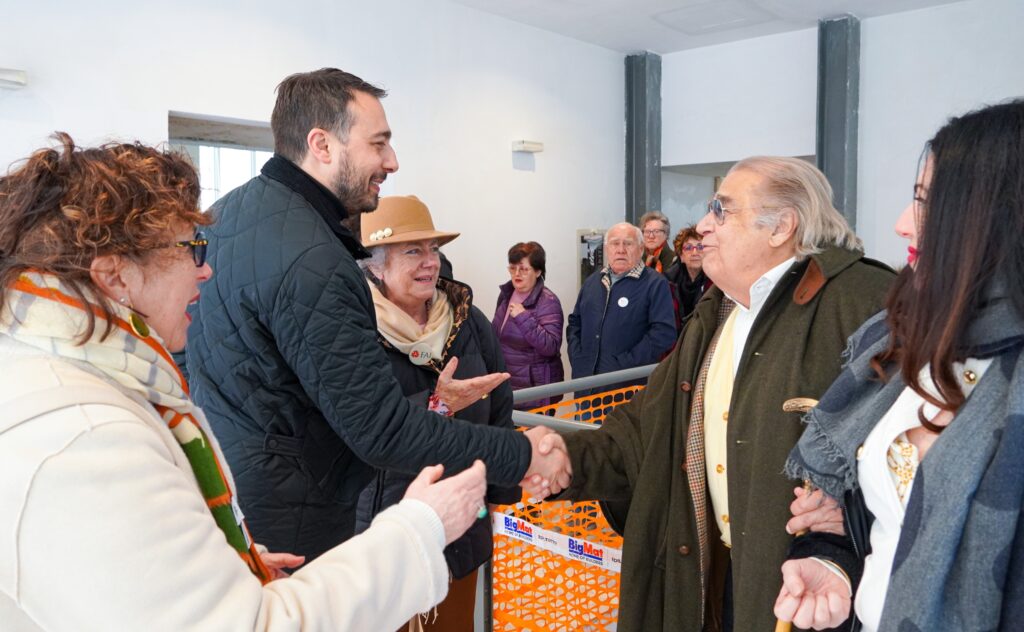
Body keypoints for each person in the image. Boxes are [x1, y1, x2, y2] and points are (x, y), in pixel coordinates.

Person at [0, 134, 489, 631]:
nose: (207, 269)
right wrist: (419, 530)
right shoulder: (91, 440)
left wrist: (220, 565)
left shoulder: (69, 379)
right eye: (191, 248)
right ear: (115, 276)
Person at [184, 69, 561, 564]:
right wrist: (523, 453)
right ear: (322, 144)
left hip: (237, 493)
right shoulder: (313, 257)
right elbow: (381, 430)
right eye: (378, 144)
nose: (392, 161)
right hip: (300, 518)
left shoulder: (227, 213)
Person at [527, 157, 894, 631]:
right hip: (709, 575)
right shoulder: (718, 310)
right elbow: (644, 430)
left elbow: (911, 463)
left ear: (781, 226)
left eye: (721, 211)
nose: (702, 226)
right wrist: (566, 456)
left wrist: (840, 535)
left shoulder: (867, 303)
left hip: (811, 593)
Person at [776, 100, 1024, 632]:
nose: (901, 224)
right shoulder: (913, 336)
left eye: (927, 204)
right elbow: (889, 526)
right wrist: (837, 557)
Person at [352, 195, 520, 631]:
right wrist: (438, 405)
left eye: (432, 250)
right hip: (385, 525)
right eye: (413, 251)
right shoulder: (353, 328)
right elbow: (360, 424)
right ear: (375, 264)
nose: (429, 263)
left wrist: (497, 494)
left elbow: (500, 410)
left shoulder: (468, 321)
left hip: (462, 522)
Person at [566, 222, 676, 389]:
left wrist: (625, 364)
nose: (621, 249)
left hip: (626, 387)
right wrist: (577, 357)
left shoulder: (655, 284)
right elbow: (575, 323)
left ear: (641, 249)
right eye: (615, 243)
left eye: (628, 243)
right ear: (607, 248)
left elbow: (664, 333)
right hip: (586, 383)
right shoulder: (593, 282)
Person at [492, 241, 564, 410]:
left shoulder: (548, 302)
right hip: (509, 384)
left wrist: (523, 317)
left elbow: (551, 346)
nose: (517, 274)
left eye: (524, 269)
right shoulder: (506, 295)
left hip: (535, 389)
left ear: (538, 271)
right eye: (512, 268)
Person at [664, 224, 713, 325]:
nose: (695, 252)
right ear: (681, 256)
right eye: (689, 248)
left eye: (700, 247)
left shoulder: (715, 281)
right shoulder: (668, 281)